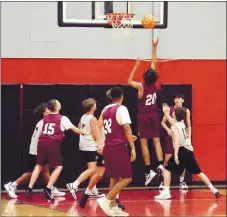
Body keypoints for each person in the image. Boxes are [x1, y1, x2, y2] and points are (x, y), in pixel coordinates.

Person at [154, 104, 222, 199]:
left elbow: (177, 140)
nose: (172, 113)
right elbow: (172, 121)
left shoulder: (174, 127)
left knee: (167, 169)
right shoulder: (182, 123)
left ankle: (166, 192)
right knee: (198, 172)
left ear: (175, 116)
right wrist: (165, 112)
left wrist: (176, 154)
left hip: (181, 150)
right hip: (189, 150)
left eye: (173, 113)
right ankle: (213, 189)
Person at [78, 89, 130, 210]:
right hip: (106, 145)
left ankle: (114, 200)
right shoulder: (108, 110)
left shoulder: (110, 110)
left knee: (113, 175)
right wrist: (99, 143)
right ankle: (87, 194)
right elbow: (98, 126)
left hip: (108, 144)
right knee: (103, 174)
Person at [26, 99, 86, 200]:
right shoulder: (62, 118)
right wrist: (85, 132)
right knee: (58, 167)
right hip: (52, 142)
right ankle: (48, 188)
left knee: (39, 165)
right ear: (57, 107)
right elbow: (75, 130)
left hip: (41, 142)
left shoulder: (45, 117)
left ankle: (29, 188)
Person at [4, 102, 65, 199]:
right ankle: (12, 185)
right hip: (37, 150)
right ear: (45, 112)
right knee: (32, 172)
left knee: (45, 170)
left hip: (38, 149)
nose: (50, 109)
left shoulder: (45, 121)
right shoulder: (44, 122)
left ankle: (52, 189)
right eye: (48, 109)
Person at [128, 38, 164, 186]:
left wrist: (136, 66)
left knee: (143, 144)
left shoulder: (141, 87)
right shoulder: (154, 84)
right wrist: (155, 48)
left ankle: (149, 170)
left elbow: (129, 81)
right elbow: (153, 64)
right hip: (154, 115)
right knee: (156, 141)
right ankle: (160, 164)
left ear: (144, 77)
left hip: (143, 117)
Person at [97, 87, 136, 217]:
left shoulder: (105, 109)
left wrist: (100, 143)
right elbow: (126, 127)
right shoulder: (121, 108)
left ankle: (113, 207)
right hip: (118, 147)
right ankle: (106, 199)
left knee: (114, 176)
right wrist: (133, 147)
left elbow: (100, 126)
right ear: (122, 96)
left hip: (108, 146)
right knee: (127, 177)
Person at [66, 98, 102, 201]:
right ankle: (74, 184)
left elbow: (79, 128)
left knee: (91, 169)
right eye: (95, 104)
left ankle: (92, 190)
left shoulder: (83, 117)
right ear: (92, 107)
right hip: (90, 146)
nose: (96, 105)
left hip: (83, 145)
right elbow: (96, 135)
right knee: (92, 169)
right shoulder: (92, 118)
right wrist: (99, 145)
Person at [160, 93, 191, 190]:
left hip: (182, 138)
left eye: (179, 98)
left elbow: (189, 125)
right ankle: (163, 182)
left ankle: (182, 181)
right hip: (171, 138)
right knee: (167, 159)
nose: (177, 100)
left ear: (183, 100)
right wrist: (168, 130)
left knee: (183, 159)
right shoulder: (170, 109)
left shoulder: (186, 111)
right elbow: (162, 123)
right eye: (175, 98)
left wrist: (188, 137)